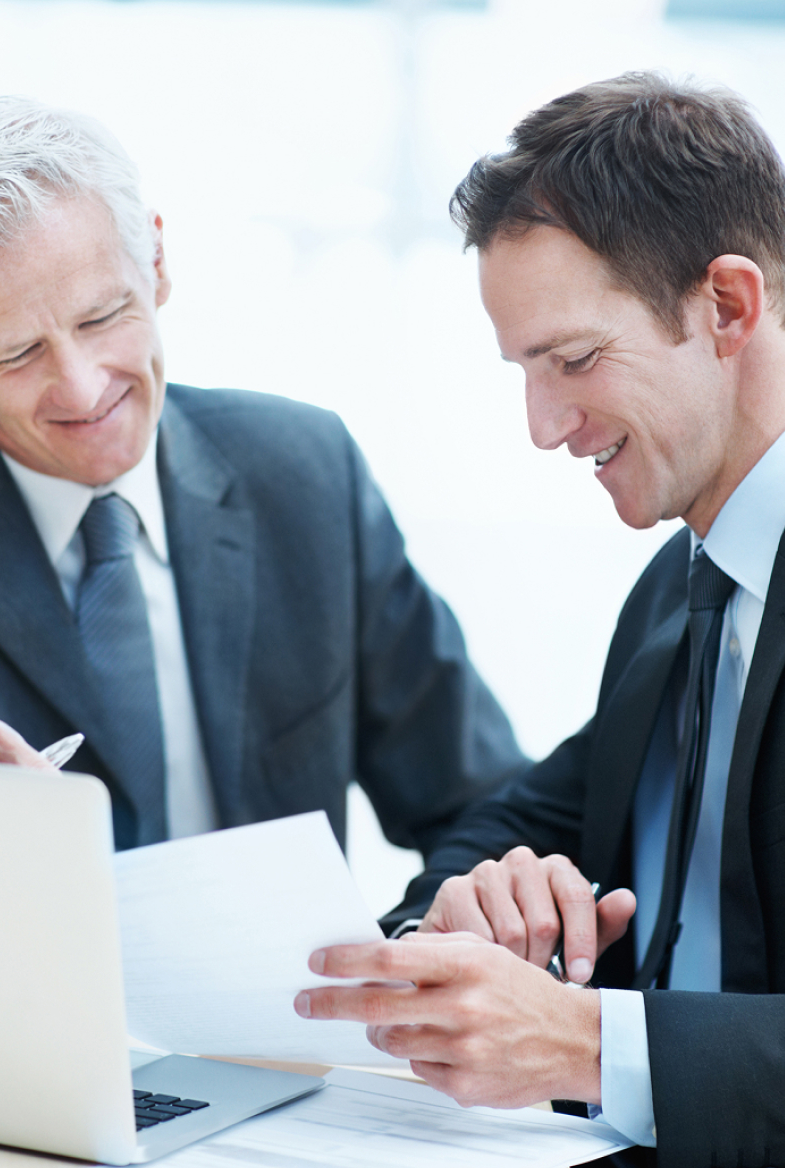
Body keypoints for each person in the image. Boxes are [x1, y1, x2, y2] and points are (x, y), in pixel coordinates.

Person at [295, 73, 785, 1167]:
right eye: (525, 371)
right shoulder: (682, 593)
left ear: (729, 306)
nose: (543, 425)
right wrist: (463, 914)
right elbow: (514, 814)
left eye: (573, 360)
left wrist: (588, 1042)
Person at [0, 95, 528, 856]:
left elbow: (483, 805)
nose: (83, 386)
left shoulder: (302, 473)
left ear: (157, 263)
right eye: (20, 354)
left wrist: (416, 942)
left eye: (102, 318)